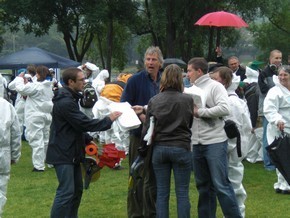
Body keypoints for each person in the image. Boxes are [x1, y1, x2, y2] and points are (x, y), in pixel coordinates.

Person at [46, 67, 121, 218]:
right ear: (70, 82)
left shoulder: (71, 98)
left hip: (71, 151)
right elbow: (83, 123)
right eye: (81, 80)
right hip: (63, 152)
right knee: (66, 192)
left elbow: (72, 125)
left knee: (76, 190)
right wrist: (108, 120)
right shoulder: (65, 102)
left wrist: (87, 138)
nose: (84, 82)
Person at [187, 57, 242, 218]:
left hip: (215, 141)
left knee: (221, 185)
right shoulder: (190, 89)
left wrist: (200, 112)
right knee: (203, 186)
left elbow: (225, 108)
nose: (187, 73)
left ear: (199, 71)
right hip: (196, 142)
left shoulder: (215, 86)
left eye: (190, 70)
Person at [140, 64, 193, 217]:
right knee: (182, 192)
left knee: (162, 193)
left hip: (160, 148)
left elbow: (147, 128)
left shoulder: (154, 100)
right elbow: (189, 123)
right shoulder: (187, 100)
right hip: (181, 146)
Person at [121, 46, 164, 218]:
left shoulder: (164, 80)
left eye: (154, 60)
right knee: (137, 175)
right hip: (139, 136)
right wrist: (141, 118)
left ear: (160, 63)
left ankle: (151, 213)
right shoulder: (135, 80)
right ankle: (135, 214)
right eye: (148, 59)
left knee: (153, 179)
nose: (150, 63)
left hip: (160, 137)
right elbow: (124, 106)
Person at [210, 66, 252, 217]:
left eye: (215, 79)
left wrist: (225, 149)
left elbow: (233, 131)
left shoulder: (231, 102)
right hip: (234, 149)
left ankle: (237, 214)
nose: (212, 83)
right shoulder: (231, 100)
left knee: (233, 185)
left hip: (233, 151)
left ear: (226, 81)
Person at [14, 65, 53, 172]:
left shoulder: (36, 86)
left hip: (35, 115)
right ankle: (49, 161)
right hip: (46, 115)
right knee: (45, 139)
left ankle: (38, 166)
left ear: (39, 74)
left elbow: (21, 89)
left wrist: (19, 79)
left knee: (36, 140)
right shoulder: (48, 86)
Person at [263, 65, 290, 194]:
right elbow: (269, 109)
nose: (282, 77)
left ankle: (283, 184)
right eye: (280, 75)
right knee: (282, 156)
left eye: (285, 75)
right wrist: (277, 120)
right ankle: (284, 184)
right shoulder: (275, 91)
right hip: (280, 128)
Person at [258, 49, 282, 171]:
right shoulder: (264, 73)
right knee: (268, 136)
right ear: (270, 58)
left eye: (280, 58)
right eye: (276, 58)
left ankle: (279, 161)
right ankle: (268, 163)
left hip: (280, 108)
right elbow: (263, 90)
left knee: (279, 135)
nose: (278, 60)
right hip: (267, 108)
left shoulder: (282, 72)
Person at [0, 79, 22, 217]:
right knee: (1, 187)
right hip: (3, 154)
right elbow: (15, 133)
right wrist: (15, 155)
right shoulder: (6, 106)